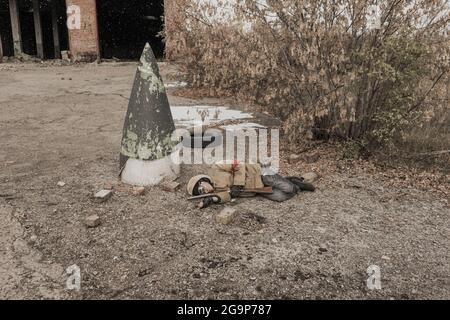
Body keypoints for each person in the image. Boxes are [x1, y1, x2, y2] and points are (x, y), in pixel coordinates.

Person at [187, 160, 315, 208]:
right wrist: (212, 200)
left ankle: (291, 183)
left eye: (201, 189)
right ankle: (295, 184)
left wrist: (237, 185)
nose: (204, 192)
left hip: (258, 174)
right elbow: (226, 197)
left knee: (287, 188)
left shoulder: (216, 168)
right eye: (201, 193)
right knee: (280, 197)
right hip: (257, 189)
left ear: (202, 181)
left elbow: (238, 165)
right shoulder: (215, 191)